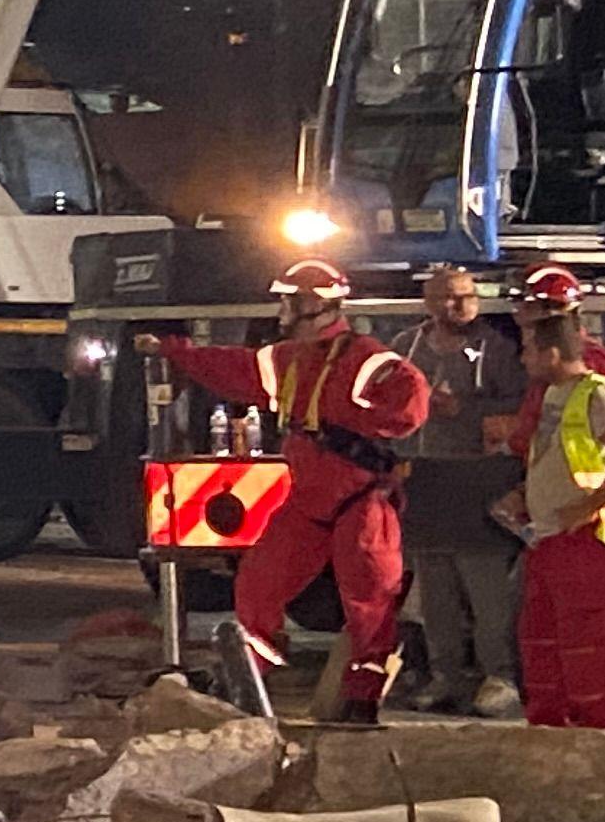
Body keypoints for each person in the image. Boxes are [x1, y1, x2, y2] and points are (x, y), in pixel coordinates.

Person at [146, 260, 430, 720]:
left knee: (370, 600)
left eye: (290, 301)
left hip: (362, 502)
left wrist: (366, 425)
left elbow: (411, 400)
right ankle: (249, 677)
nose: (282, 311)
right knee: (259, 584)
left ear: (316, 304)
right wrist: (175, 352)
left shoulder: (367, 359)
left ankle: (362, 699)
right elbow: (233, 368)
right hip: (308, 503)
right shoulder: (289, 359)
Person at [493, 299, 605, 727]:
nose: (523, 359)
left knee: (584, 639)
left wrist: (587, 507)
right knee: (540, 636)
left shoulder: (597, 392)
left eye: (528, 350)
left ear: (551, 354)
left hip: (584, 537)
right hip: (549, 535)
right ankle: (550, 722)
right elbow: (559, 455)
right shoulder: (554, 395)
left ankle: (596, 726)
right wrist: (525, 494)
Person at [390, 264, 527, 715]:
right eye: (449, 297)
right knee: (435, 591)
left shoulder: (496, 349)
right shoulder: (406, 347)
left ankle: (499, 676)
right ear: (428, 302)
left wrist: (464, 409)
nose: (462, 305)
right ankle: (444, 676)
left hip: (477, 480)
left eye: (468, 295)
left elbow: (520, 403)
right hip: (425, 479)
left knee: (486, 590)